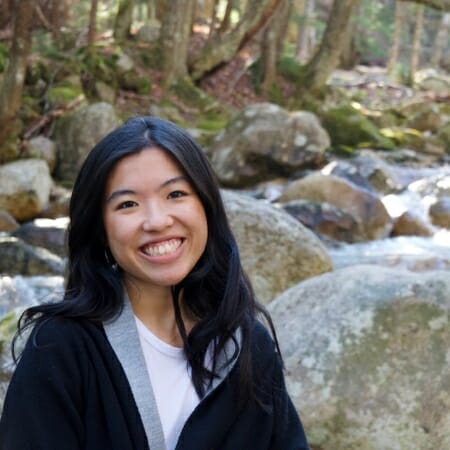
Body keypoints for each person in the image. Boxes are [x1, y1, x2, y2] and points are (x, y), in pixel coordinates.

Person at [0, 116, 310, 450]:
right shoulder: (59, 349)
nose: (157, 221)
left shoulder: (246, 344)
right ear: (100, 227)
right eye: (127, 204)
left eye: (176, 194)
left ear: (206, 206)